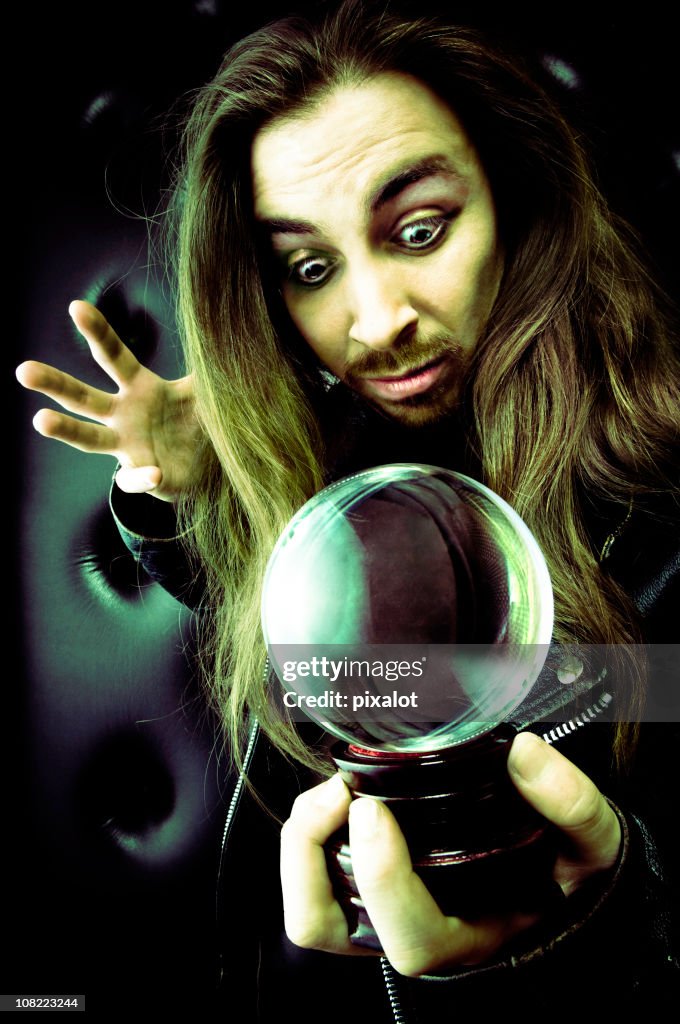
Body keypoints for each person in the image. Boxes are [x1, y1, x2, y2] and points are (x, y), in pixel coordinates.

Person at [15, 0, 679, 1016]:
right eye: (309, 268)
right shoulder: (341, 448)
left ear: (512, 197)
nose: (374, 324)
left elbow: (622, 692)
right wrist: (177, 487)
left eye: (419, 230)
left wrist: (560, 943)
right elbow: (298, 614)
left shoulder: (651, 473)